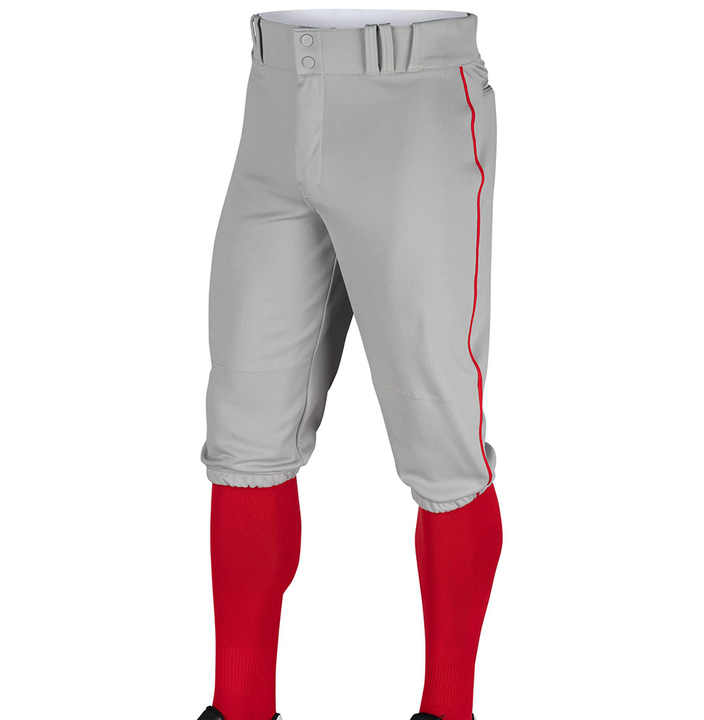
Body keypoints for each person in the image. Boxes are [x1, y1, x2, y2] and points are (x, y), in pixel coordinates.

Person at [198, 10, 503, 720]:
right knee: (245, 428)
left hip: (412, 96)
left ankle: (448, 711)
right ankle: (238, 709)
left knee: (440, 435)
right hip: (275, 93)